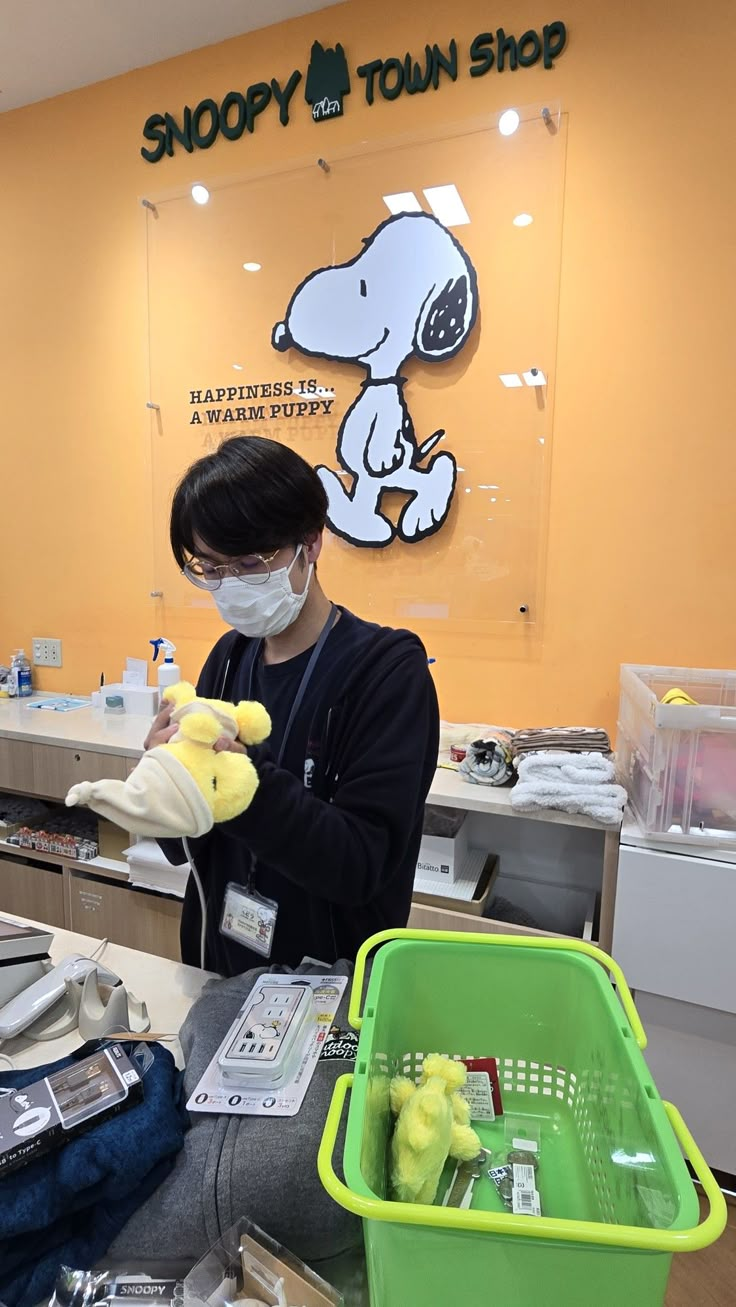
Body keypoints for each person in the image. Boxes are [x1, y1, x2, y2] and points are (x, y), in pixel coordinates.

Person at [145, 435, 439, 975]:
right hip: (221, 965)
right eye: (209, 567)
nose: (230, 585)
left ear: (311, 542)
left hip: (333, 989)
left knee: (330, 1064)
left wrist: (239, 780)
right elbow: (182, 843)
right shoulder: (231, 659)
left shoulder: (386, 671)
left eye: (250, 562)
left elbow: (360, 866)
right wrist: (165, 780)